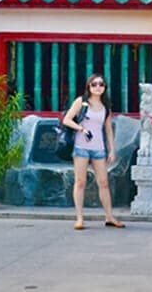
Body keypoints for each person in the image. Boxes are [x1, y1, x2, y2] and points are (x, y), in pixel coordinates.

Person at [62, 73, 124, 230]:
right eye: (94, 84)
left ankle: (109, 217)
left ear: (105, 87)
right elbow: (66, 119)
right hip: (81, 146)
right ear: (88, 86)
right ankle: (79, 218)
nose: (98, 87)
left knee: (104, 183)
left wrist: (112, 150)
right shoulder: (81, 102)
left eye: (101, 84)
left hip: (99, 148)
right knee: (80, 182)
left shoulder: (106, 106)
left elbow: (108, 130)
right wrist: (81, 128)